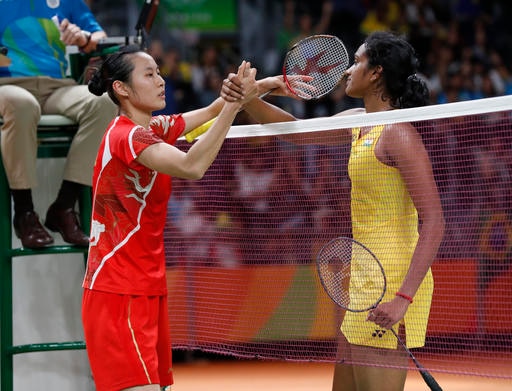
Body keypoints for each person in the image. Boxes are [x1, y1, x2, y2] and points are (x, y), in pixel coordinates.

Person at [222, 31, 445, 391]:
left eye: (357, 62)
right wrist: (253, 94)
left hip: (393, 279)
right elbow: (297, 132)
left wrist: (403, 299)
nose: (347, 71)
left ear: (376, 74)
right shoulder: (358, 120)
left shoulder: (399, 134)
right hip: (364, 272)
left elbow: (434, 221)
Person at [81, 45, 257, 391]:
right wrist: (235, 107)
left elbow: (210, 110)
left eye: (159, 72)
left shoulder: (150, 128)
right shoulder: (126, 135)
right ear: (122, 88)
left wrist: (261, 85)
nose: (161, 81)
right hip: (118, 291)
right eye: (149, 75)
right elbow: (191, 166)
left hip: (146, 286)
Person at [0, 1, 117, 248]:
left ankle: (64, 207)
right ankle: (24, 213)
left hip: (57, 87)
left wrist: (84, 38)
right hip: (7, 86)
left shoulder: (67, 2)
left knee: (104, 102)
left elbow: (100, 37)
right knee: (22, 105)